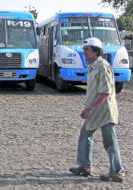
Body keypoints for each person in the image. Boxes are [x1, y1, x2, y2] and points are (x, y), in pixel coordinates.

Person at [69, 37, 125, 182]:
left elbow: (105, 92)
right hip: (95, 109)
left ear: (96, 51)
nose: (84, 52)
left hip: (104, 110)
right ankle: (84, 165)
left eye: (87, 49)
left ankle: (117, 171)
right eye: (84, 49)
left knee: (110, 141)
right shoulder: (92, 66)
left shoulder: (102, 66)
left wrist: (90, 109)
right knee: (85, 134)